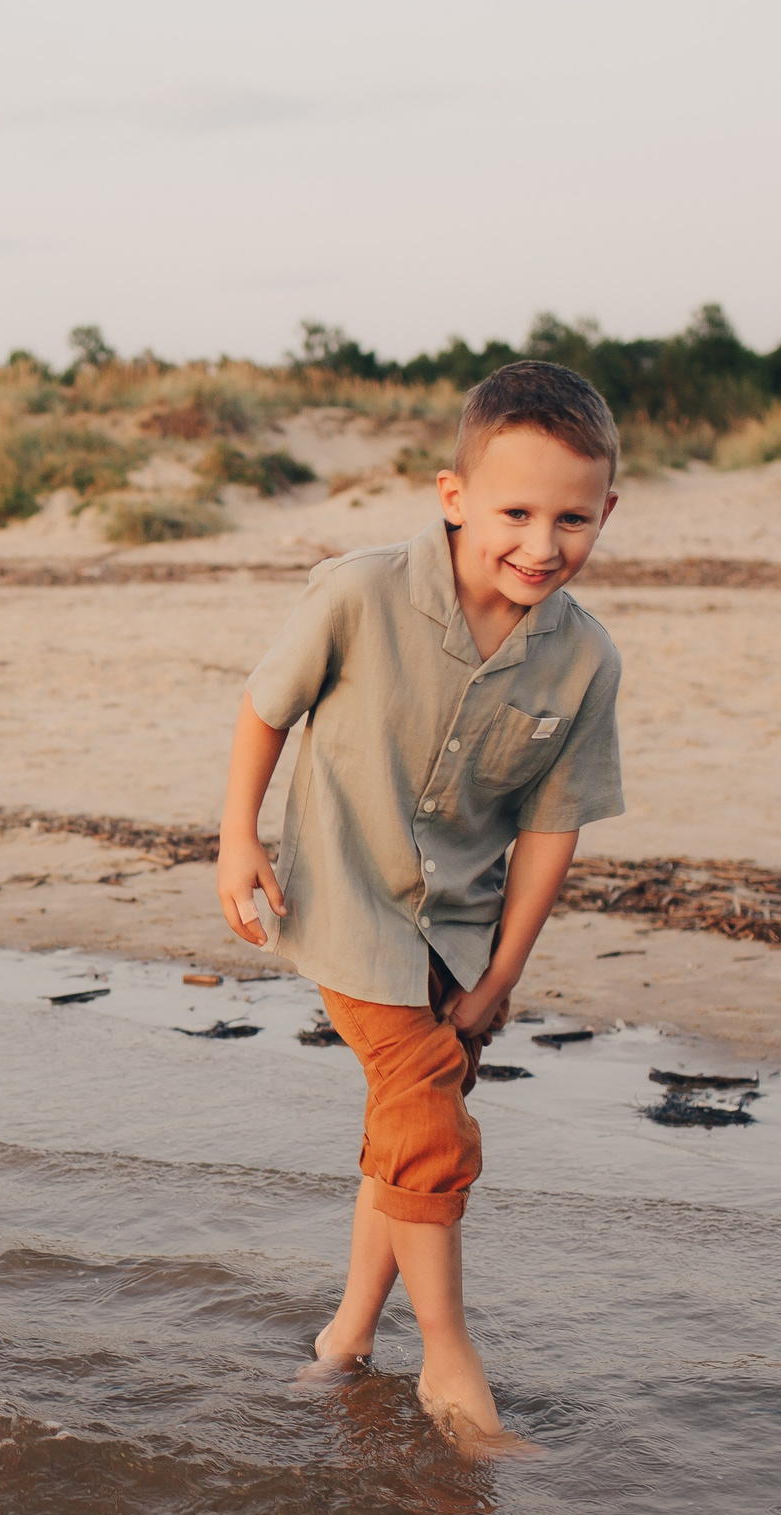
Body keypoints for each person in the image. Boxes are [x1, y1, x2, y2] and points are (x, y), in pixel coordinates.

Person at [215, 361, 627, 1452]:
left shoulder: (585, 659)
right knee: (429, 1128)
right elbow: (265, 708)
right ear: (454, 497)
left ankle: (344, 1340)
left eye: (572, 519)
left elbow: (552, 829)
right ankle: (449, 1360)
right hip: (347, 903)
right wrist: (236, 838)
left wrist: (501, 977)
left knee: (402, 1137)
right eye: (515, 514)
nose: (541, 544)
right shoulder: (356, 593)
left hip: (463, 934)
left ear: (607, 511)